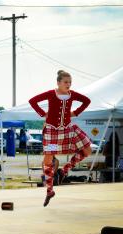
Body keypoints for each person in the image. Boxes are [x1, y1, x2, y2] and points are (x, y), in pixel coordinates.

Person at [29, 70, 92, 207]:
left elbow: (87, 101)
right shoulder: (51, 93)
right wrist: (42, 114)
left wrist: (75, 113)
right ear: (58, 83)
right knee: (48, 158)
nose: (68, 84)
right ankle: (50, 190)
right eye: (65, 82)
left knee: (87, 150)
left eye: (70, 82)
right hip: (52, 132)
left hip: (68, 129)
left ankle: (65, 169)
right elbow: (33, 101)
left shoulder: (72, 94)